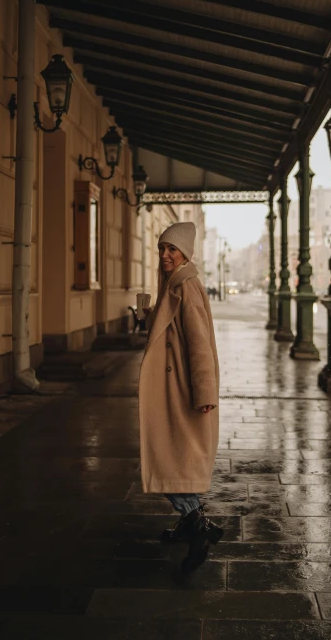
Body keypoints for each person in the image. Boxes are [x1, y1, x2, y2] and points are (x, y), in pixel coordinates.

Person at [139, 222, 223, 574]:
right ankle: (194, 522)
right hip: (171, 389)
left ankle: (196, 524)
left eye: (172, 249)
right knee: (172, 460)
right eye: (161, 249)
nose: (165, 255)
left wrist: (204, 391)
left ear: (185, 252)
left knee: (168, 461)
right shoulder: (173, 284)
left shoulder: (186, 286)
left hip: (183, 392)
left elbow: (200, 344)